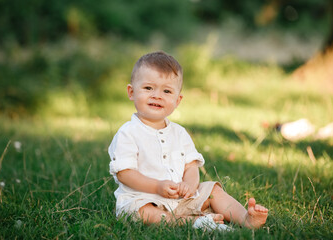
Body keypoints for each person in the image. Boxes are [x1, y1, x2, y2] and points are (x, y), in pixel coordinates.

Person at [108, 51, 268, 230]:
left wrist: (190, 186)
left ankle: (245, 218)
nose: (157, 95)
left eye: (167, 91)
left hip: (180, 200)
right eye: (148, 88)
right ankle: (189, 221)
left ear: (178, 100)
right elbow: (125, 173)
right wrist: (157, 187)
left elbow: (191, 166)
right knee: (142, 213)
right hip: (144, 199)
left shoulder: (179, 133)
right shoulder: (128, 133)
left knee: (213, 190)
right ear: (131, 92)